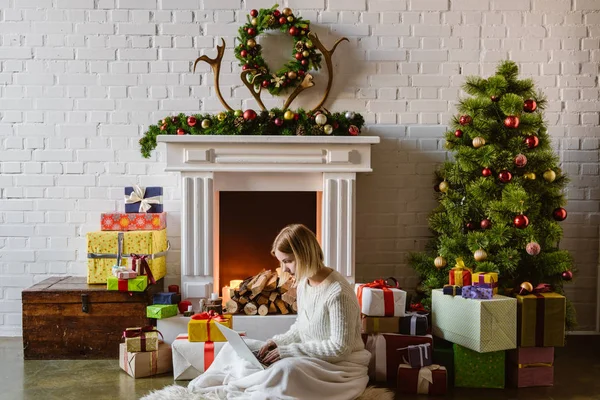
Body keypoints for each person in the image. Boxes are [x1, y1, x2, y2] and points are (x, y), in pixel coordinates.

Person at [186, 224, 372, 400]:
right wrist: (276, 343)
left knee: (286, 369)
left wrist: (289, 351)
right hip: (311, 356)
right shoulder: (304, 282)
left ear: (304, 255)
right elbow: (302, 327)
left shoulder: (338, 292)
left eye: (288, 261)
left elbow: (339, 349)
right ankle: (248, 382)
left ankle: (246, 386)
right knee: (238, 348)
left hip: (339, 367)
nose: (284, 269)